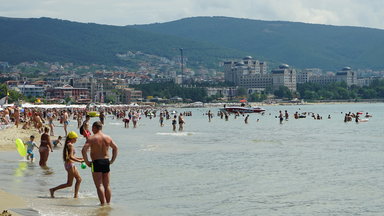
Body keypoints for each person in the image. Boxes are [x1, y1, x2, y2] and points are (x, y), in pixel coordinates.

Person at [82, 121, 118, 205]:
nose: (92, 129)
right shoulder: (108, 137)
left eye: (92, 128)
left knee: (99, 185)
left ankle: (102, 204)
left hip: (96, 162)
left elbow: (84, 150)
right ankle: (108, 204)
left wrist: (87, 162)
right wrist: (112, 160)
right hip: (106, 161)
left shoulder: (92, 138)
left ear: (95, 127)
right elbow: (115, 148)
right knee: (107, 185)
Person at [50, 131, 83, 198]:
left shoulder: (68, 144)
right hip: (70, 165)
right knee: (71, 183)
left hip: (69, 164)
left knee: (77, 180)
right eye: (75, 138)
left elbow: (71, 157)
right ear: (72, 138)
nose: (76, 140)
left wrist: (81, 159)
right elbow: (70, 157)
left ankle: (75, 196)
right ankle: (53, 189)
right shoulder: (70, 145)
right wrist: (80, 161)